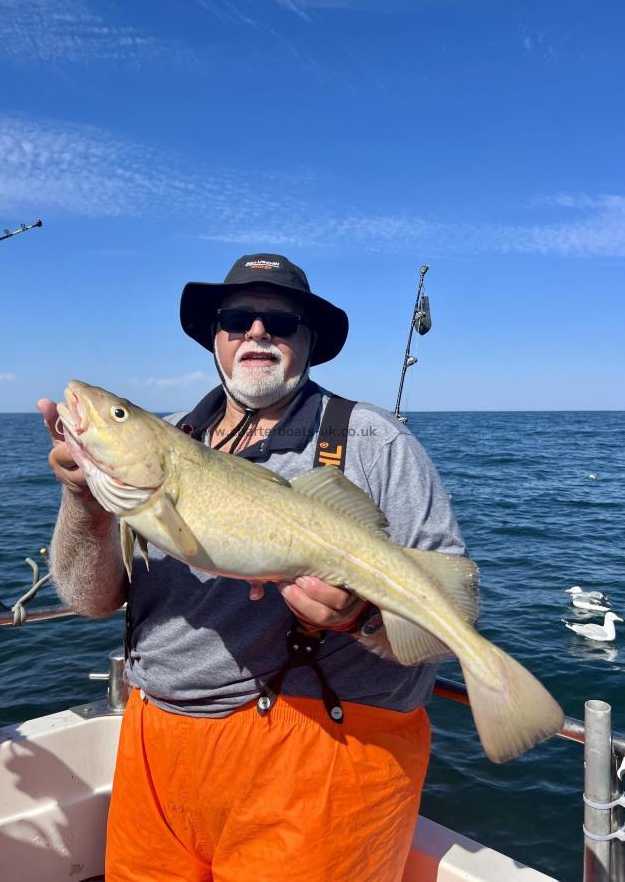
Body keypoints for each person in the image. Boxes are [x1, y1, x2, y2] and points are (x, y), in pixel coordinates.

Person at [39, 253, 466, 882]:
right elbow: (91, 599)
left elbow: (443, 618)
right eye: (238, 319)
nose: (257, 334)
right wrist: (84, 499)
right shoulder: (170, 440)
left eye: (281, 322)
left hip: (319, 763)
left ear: (309, 342)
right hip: (154, 752)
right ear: (215, 338)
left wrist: (360, 617)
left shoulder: (375, 440)